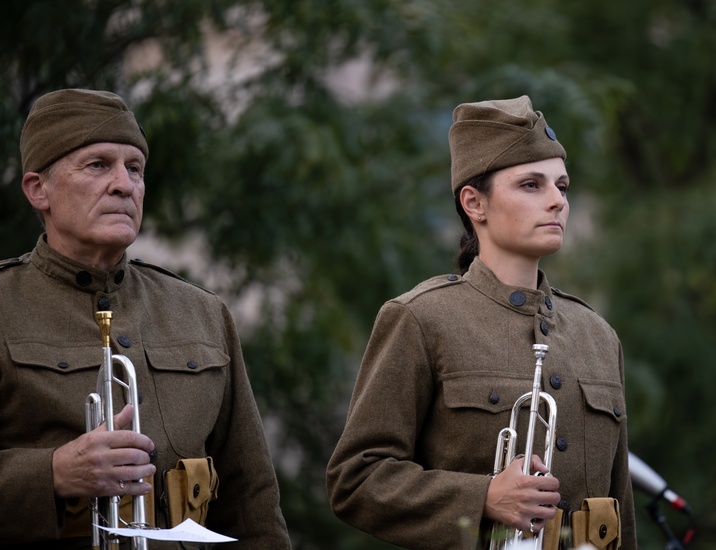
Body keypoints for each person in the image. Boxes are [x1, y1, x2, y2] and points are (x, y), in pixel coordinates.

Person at [326, 96, 636, 549]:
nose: (556, 202)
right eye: (531, 185)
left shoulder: (598, 336)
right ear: (475, 202)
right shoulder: (422, 318)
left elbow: (620, 511)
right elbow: (356, 479)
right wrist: (483, 496)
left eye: (562, 186)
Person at [0, 88, 292, 548]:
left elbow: (251, 497)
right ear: (39, 190)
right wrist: (51, 473)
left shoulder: (201, 312)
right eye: (98, 165)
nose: (124, 184)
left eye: (134, 168)